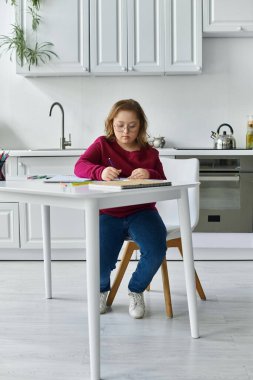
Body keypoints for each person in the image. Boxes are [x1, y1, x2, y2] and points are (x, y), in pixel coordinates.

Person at [74, 99, 167, 319]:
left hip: (142, 212)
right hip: (108, 211)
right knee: (100, 260)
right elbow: (80, 166)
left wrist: (149, 173)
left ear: (141, 126)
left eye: (132, 126)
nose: (125, 131)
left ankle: (136, 290)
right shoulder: (102, 144)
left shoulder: (150, 154)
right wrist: (100, 171)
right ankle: (101, 290)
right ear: (111, 124)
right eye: (120, 125)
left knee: (156, 250)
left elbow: (163, 180)